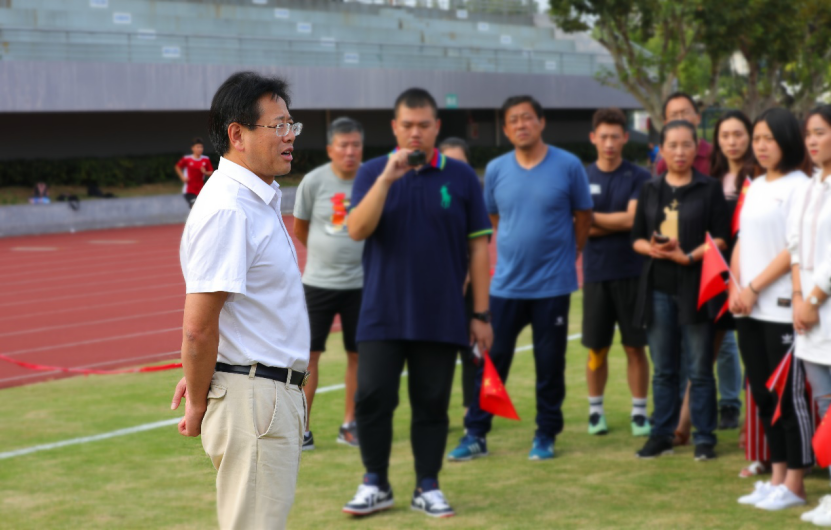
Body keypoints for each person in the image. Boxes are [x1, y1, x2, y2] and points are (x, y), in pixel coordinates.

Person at [341, 88, 493, 519]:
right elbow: (356, 229)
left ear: (436, 127)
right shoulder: (372, 172)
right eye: (407, 125)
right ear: (394, 127)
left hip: (441, 312)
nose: (415, 133)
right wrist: (387, 179)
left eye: (424, 125)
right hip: (381, 311)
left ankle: (428, 484)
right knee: (373, 397)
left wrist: (480, 313)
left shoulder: (461, 177)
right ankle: (375, 482)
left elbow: (479, 249)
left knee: (432, 402)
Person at [170, 71, 310, 530]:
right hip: (255, 401)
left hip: (262, 396)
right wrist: (197, 402)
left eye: (291, 124)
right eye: (278, 125)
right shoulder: (230, 208)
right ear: (237, 135)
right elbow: (198, 326)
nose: (290, 136)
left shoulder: (254, 200)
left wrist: (208, 371)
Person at [448, 95, 593, 462]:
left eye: (527, 118)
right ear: (506, 128)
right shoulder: (497, 169)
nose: (521, 125)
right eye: (513, 120)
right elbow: (494, 218)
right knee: (492, 362)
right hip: (507, 285)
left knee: (550, 365)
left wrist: (571, 252)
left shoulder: (569, 165)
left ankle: (546, 434)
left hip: (553, 286)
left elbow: (583, 218)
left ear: (541, 122)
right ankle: (476, 433)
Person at [631, 120, 729, 461]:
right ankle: (661, 435)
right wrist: (653, 249)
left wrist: (688, 257)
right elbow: (636, 238)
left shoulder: (709, 187)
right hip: (657, 288)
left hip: (697, 288)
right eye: (671, 145)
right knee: (664, 370)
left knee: (700, 369)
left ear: (697, 148)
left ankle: (705, 438)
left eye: (687, 144)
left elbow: (720, 238)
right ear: (661, 149)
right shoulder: (650, 188)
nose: (679, 152)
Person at [732, 107, 811, 512]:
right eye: (757, 138)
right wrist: (736, 285)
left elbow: (792, 249)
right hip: (749, 309)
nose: (761, 146)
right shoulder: (756, 184)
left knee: (788, 400)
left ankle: (796, 484)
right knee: (763, 397)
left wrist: (754, 287)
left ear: (787, 141)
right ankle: (777, 478)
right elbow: (742, 238)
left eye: (770, 139)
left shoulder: (801, 185)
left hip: (780, 308)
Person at [293, 117, 365, 451]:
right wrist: (327, 255)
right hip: (317, 284)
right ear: (330, 149)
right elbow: (301, 227)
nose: (350, 151)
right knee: (308, 358)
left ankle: (350, 424)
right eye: (343, 145)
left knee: (358, 356)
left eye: (356, 145)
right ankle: (302, 429)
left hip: (362, 285)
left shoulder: (373, 179)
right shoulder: (313, 182)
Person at [581, 108, 651, 437]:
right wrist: (614, 222)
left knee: (635, 347)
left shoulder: (639, 176)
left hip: (633, 273)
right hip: (596, 274)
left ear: (625, 137)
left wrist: (591, 219)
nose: (609, 143)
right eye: (603, 136)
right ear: (593, 138)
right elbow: (577, 227)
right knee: (597, 348)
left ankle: (639, 413)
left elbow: (633, 221)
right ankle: (596, 412)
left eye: (615, 136)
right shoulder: (580, 176)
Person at [791, 105, 831, 525]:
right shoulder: (810, 186)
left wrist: (814, 299)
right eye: (808, 134)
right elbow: (795, 247)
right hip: (810, 320)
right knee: (825, 409)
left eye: (820, 132)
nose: (813, 141)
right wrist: (799, 298)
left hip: (825, 310)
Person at [709, 111, 756, 430]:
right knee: (706, 354)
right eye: (724, 136)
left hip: (752, 277)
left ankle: (752, 428)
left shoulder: (759, 179)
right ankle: (685, 423)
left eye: (738, 134)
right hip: (717, 275)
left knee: (753, 355)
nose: (731, 142)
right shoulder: (712, 179)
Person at [438, 136, 480, 417]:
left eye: (460, 163)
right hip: (437, 290)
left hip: (468, 289)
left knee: (472, 353)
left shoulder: (473, 197)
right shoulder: (426, 194)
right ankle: (434, 413)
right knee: (435, 356)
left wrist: (464, 276)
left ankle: (471, 414)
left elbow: (479, 245)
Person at [655, 92, 712, 176]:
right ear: (666, 123)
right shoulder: (664, 164)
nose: (680, 119)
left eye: (685, 113)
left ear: (698, 118)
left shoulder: (715, 155)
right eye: (674, 115)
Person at [175, 137, 214, 209]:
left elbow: (211, 173)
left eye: (201, 147)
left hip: (201, 190)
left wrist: (205, 172)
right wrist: (182, 177)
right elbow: (177, 167)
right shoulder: (187, 159)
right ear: (192, 148)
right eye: (198, 147)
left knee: (203, 208)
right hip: (189, 190)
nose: (200, 149)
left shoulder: (206, 159)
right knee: (195, 207)